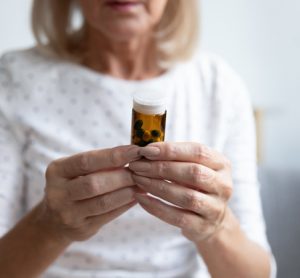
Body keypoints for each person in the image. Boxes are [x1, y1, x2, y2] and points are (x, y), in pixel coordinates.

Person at [0, 0, 276, 277]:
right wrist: (49, 225)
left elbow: (257, 273)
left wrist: (216, 227)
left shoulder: (218, 87)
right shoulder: (14, 80)